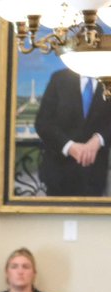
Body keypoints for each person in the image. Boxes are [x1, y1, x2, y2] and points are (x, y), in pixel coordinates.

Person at [35, 68, 111, 197]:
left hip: (96, 175)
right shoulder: (59, 78)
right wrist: (69, 147)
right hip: (58, 174)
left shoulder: (108, 78)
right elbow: (43, 123)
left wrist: (99, 139)